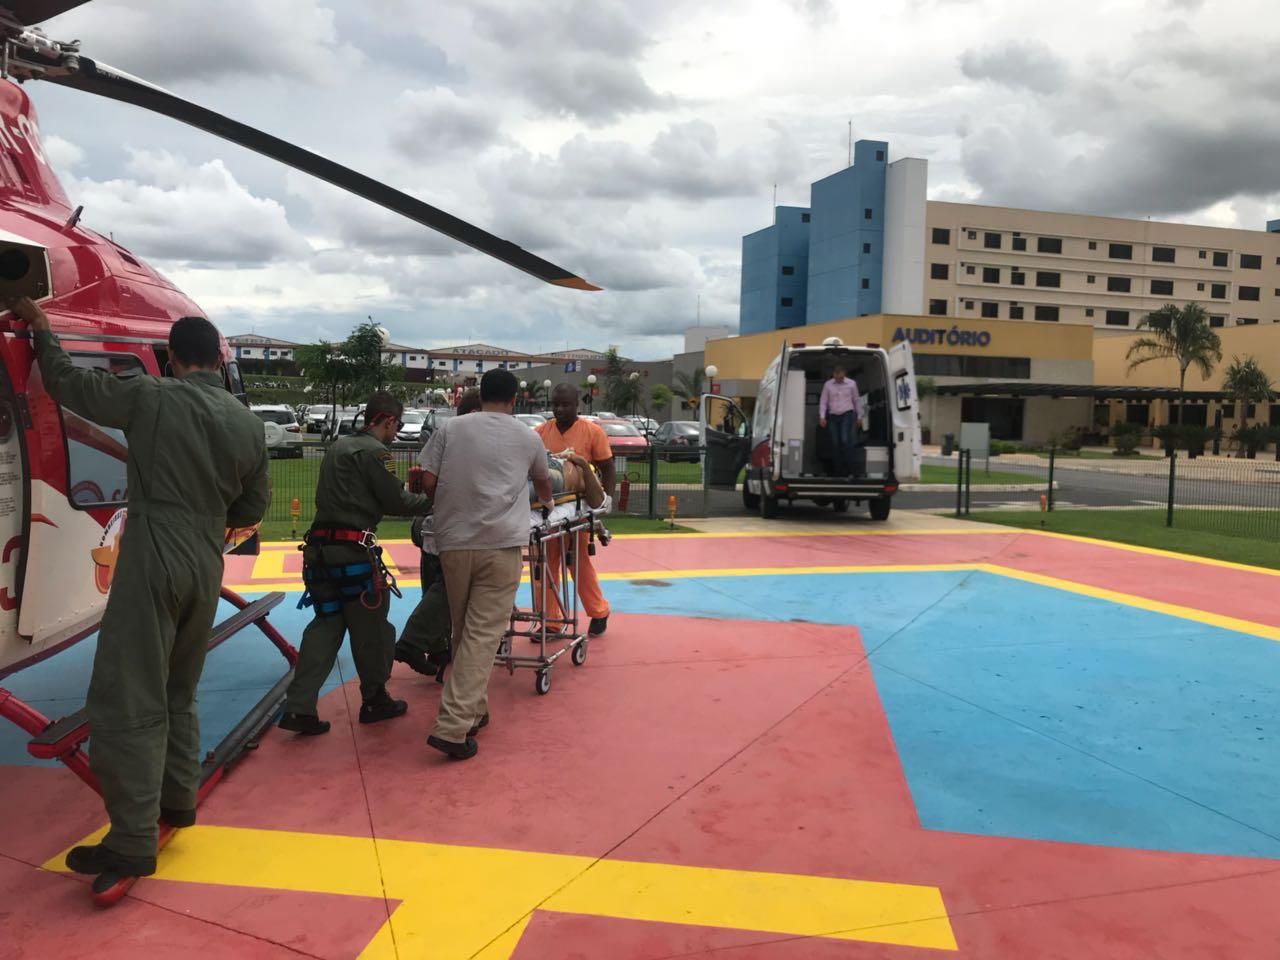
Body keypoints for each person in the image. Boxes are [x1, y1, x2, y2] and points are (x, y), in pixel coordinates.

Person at [7, 296, 270, 884]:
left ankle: (130, 841)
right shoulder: (247, 423)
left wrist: (45, 332)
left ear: (172, 358)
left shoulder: (152, 397)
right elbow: (252, 506)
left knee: (129, 698)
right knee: (180, 688)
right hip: (206, 561)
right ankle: (178, 800)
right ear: (215, 362)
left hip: (153, 556)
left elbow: (71, 385)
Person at [279, 391, 431, 736]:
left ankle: (299, 705)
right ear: (389, 420)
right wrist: (433, 500)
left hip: (319, 551)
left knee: (326, 624)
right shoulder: (376, 453)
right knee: (372, 629)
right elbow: (397, 501)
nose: (395, 434)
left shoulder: (339, 447)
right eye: (396, 426)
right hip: (351, 553)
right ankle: (375, 698)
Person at [420, 369, 552, 760]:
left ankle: (476, 710)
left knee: (464, 629)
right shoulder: (528, 437)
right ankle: (453, 726)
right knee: (483, 635)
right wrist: (545, 504)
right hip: (501, 543)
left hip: (454, 542)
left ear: (480, 395)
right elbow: (543, 481)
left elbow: (427, 482)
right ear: (515, 399)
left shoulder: (451, 429)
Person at [394, 389, 483, 677]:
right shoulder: (474, 444)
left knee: (433, 583)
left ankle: (437, 647)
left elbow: (425, 478)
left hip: (432, 523)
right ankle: (413, 641)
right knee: (448, 587)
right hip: (451, 527)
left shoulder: (444, 435)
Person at [533, 383, 615, 637]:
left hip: (575, 509)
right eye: (555, 404)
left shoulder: (592, 432)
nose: (559, 409)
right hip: (547, 508)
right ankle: (551, 621)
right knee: (543, 565)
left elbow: (608, 467)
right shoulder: (539, 433)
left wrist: (606, 499)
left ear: (576, 405)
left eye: (565, 404)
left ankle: (599, 611)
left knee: (578, 565)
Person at [818, 365, 865, 477]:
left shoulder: (852, 384)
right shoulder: (828, 385)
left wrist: (860, 416)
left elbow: (857, 400)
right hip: (833, 416)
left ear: (844, 374)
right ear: (834, 375)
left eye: (842, 378)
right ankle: (838, 471)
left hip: (847, 414)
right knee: (835, 443)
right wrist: (822, 416)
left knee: (844, 440)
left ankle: (851, 470)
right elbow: (823, 401)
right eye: (837, 378)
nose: (840, 380)